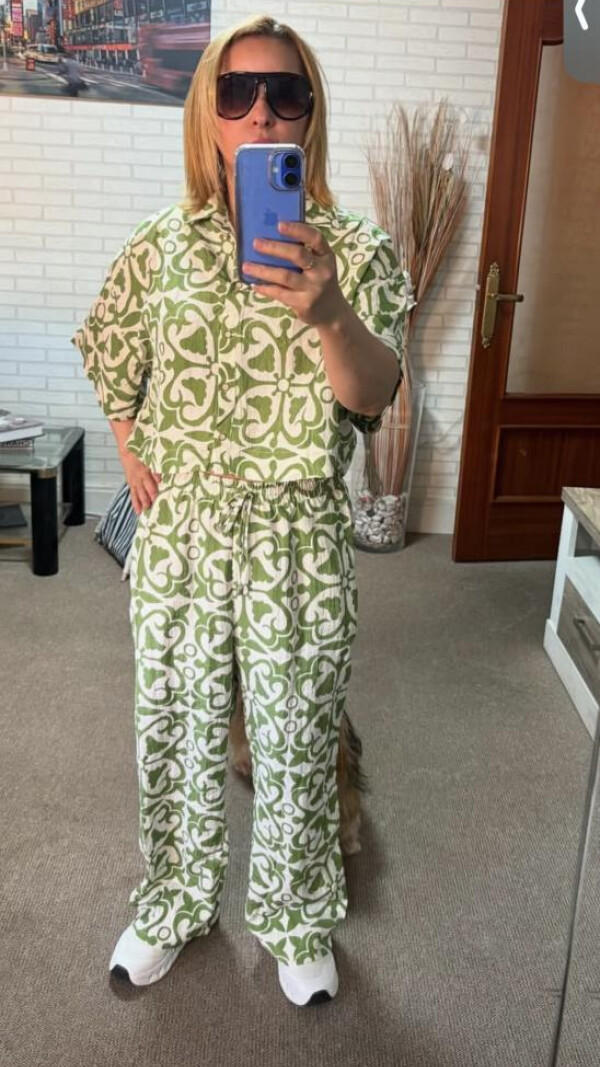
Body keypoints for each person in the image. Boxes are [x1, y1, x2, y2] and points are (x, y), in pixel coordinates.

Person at [70, 13, 409, 1007]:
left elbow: (375, 393)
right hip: (184, 533)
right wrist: (132, 447)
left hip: (298, 534)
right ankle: (172, 901)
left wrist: (327, 311)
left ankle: (297, 916)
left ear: (309, 116)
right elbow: (110, 350)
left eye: (285, 92)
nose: (262, 111)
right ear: (209, 115)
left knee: (296, 734)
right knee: (172, 728)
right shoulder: (159, 246)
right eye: (237, 91)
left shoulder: (356, 250)